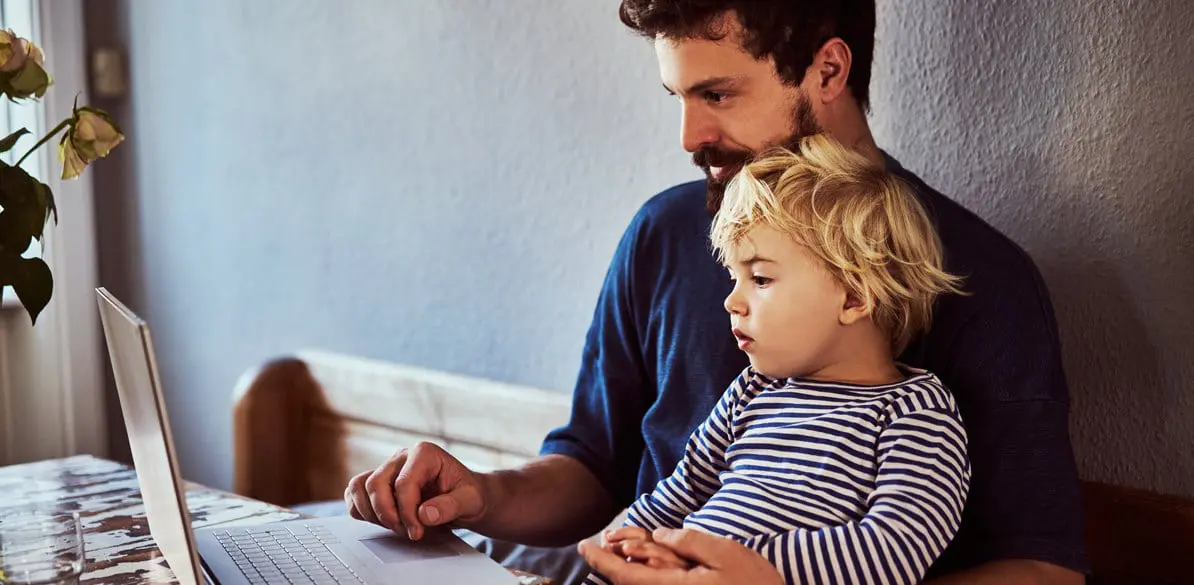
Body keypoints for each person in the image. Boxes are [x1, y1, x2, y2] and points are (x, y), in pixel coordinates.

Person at [345, 2, 1089, 583]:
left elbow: (1042, 570)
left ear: (828, 71)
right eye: (677, 95)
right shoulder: (665, 233)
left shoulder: (975, 279)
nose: (689, 134)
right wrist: (482, 494)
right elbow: (595, 468)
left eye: (718, 93)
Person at [583, 135, 972, 585]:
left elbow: (894, 547)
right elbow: (682, 490)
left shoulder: (915, 414)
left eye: (761, 278)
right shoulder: (751, 392)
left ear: (853, 296)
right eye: (734, 278)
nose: (732, 301)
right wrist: (613, 546)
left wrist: (742, 563)